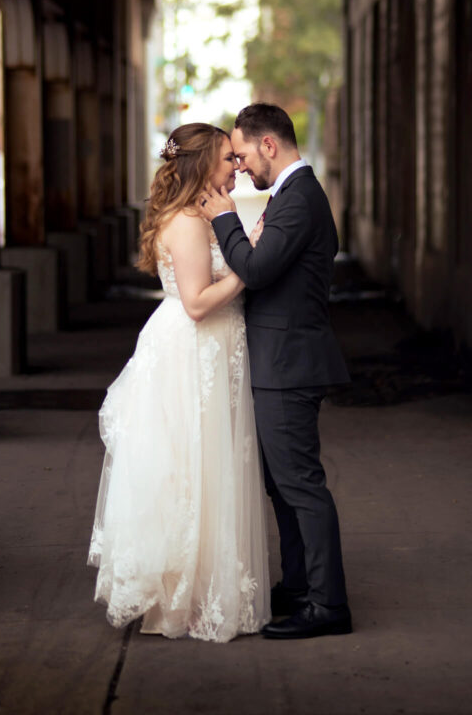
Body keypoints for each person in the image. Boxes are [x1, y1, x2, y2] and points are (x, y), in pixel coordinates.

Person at [88, 122, 270, 642]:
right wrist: (248, 265)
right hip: (193, 349)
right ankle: (187, 595)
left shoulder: (203, 214)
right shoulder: (189, 223)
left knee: (208, 465)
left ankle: (202, 586)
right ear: (200, 167)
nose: (235, 165)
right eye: (225, 159)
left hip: (210, 348)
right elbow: (195, 304)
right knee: (195, 466)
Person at [200, 103, 352, 640]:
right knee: (280, 486)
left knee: (301, 485)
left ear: (269, 145)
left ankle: (328, 605)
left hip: (290, 364)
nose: (239, 167)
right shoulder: (290, 197)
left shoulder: (300, 198)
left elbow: (258, 270)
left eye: (241, 154)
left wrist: (223, 219)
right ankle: (299, 586)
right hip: (277, 361)